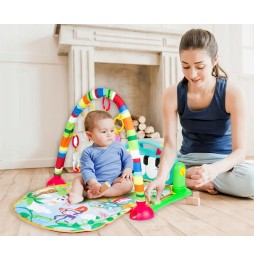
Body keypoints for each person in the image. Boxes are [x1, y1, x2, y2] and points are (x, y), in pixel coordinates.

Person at [146, 28, 254, 202]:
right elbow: (170, 144)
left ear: (215, 60)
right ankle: (189, 178)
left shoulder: (232, 93)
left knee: (251, 180)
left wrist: (213, 170)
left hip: (222, 163)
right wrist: (161, 176)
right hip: (187, 160)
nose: (192, 74)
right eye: (185, 66)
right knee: (157, 168)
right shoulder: (171, 94)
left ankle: (185, 180)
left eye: (200, 66)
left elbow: (240, 152)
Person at [69, 110, 133, 204]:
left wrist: (128, 169)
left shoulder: (118, 146)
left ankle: (104, 193)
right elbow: (87, 170)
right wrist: (93, 183)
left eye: (112, 130)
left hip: (114, 181)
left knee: (128, 184)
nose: (109, 134)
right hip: (94, 182)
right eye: (103, 131)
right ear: (89, 135)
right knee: (78, 179)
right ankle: (77, 195)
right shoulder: (88, 152)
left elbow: (127, 158)